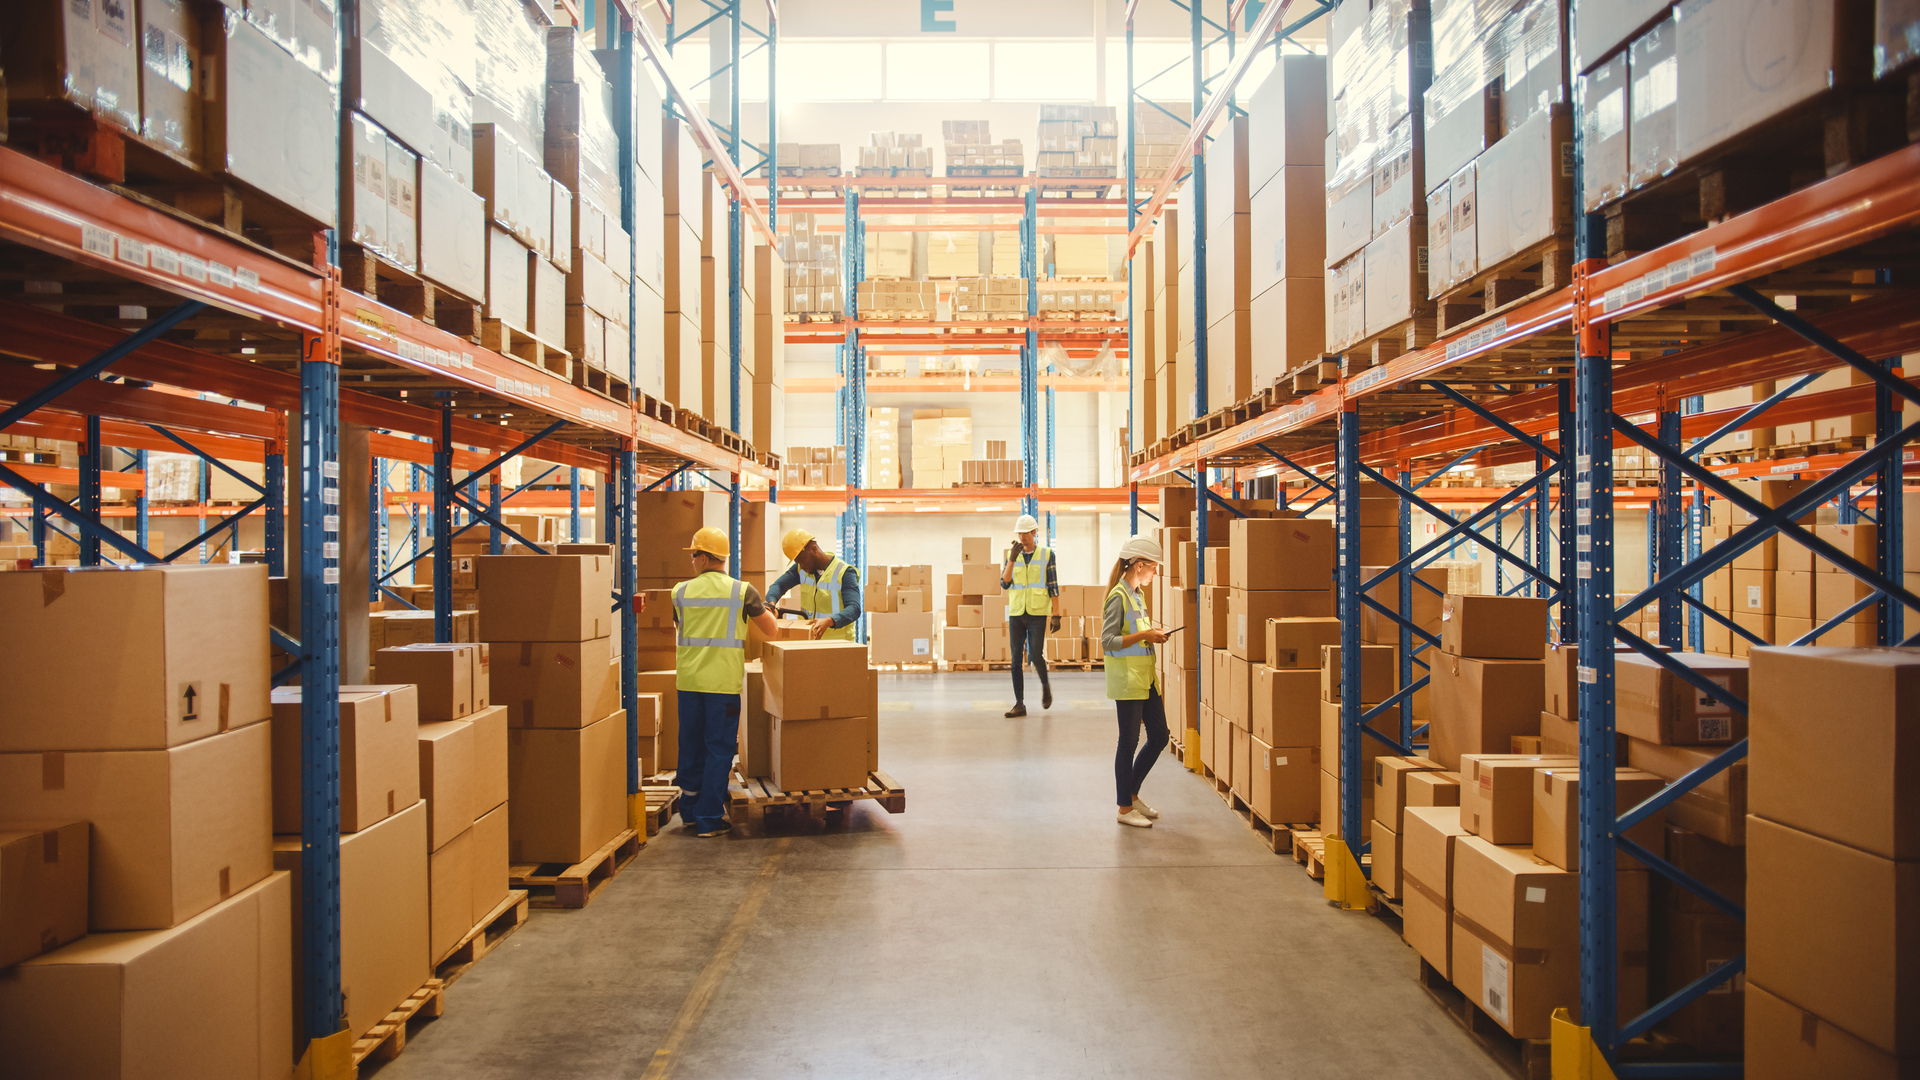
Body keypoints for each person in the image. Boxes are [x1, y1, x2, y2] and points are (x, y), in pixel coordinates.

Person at [673, 526, 779, 837]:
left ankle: (689, 812)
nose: (692, 561)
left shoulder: (679, 591)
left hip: (689, 683)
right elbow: (771, 630)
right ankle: (708, 818)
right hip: (721, 686)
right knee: (718, 749)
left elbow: (681, 626)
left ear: (704, 558)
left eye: (694, 556)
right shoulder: (743, 591)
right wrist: (766, 609)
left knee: (690, 744)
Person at [1103, 535, 1172, 828]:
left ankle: (1132, 794)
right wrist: (1146, 635)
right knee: (1128, 743)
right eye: (1153, 567)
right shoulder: (1118, 596)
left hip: (1145, 679)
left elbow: (1137, 633)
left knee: (1159, 735)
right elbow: (1108, 641)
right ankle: (1123, 808)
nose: (1155, 573)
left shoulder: (1137, 594)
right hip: (1127, 680)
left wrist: (1152, 634)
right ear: (1140, 564)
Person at [1000, 513, 1060, 718]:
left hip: (1036, 613)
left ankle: (1045, 685)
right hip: (1017, 612)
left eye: (1026, 533)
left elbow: (1053, 585)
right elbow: (1004, 583)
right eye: (1020, 533)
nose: (1023, 537)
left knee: (1035, 655)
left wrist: (1056, 614)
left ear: (1034, 533)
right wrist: (1011, 560)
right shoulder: (1012, 554)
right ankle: (1019, 703)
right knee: (1015, 658)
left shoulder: (1047, 554)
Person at [765, 528, 862, 641]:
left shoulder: (844, 572)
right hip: (810, 640)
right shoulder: (800, 569)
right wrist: (771, 605)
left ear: (814, 549)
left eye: (802, 560)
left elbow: (854, 608)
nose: (801, 565)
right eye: (797, 562)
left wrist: (830, 621)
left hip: (838, 643)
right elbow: (778, 586)